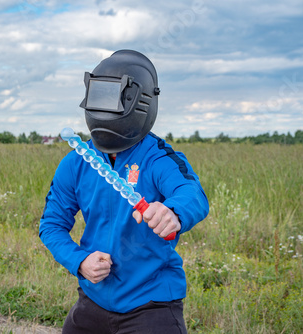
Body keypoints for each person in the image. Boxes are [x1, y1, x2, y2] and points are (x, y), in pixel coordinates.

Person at [39, 50, 209, 333]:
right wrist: (79, 261)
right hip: (93, 299)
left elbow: (192, 193)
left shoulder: (157, 158)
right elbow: (52, 225)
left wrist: (173, 211)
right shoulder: (76, 162)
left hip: (151, 304)